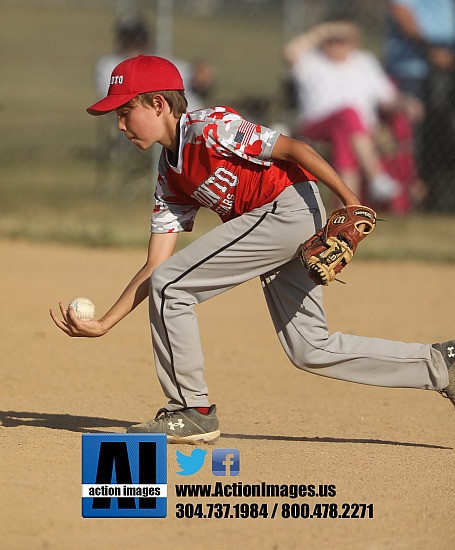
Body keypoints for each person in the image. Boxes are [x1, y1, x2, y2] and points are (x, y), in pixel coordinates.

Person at [50, 55, 454, 443]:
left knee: (173, 286)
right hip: (271, 226)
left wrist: (350, 201)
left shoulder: (210, 127)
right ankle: (442, 365)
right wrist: (105, 323)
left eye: (124, 112)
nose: (119, 125)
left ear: (158, 104)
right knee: (309, 348)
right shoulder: (169, 175)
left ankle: (191, 411)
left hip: (288, 208)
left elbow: (295, 149)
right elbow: (155, 262)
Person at [284, 20, 408, 208]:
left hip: (359, 133)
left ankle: (349, 209)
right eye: (331, 40)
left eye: (342, 40)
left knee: (345, 135)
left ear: (353, 41)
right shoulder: (311, 61)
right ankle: (376, 176)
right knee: (348, 114)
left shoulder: (364, 62)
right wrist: (323, 31)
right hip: (316, 126)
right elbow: (289, 52)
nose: (336, 45)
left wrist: (406, 104)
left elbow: (388, 97)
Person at [384, 0, 455, 211]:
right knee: (415, 139)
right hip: (412, 73)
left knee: (445, 136)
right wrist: (432, 49)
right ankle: (413, 198)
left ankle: (442, 197)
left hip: (447, 70)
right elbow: (402, 14)